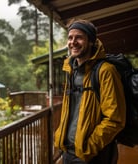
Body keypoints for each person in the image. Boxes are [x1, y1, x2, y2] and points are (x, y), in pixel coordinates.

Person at [54, 18, 126, 164]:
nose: (73, 42)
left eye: (79, 37)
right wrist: (60, 139)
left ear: (91, 41)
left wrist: (89, 147)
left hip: (92, 155)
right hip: (68, 151)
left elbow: (115, 119)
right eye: (70, 37)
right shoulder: (70, 70)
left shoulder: (105, 71)